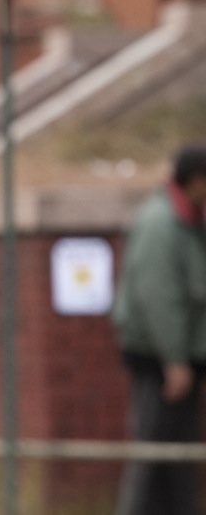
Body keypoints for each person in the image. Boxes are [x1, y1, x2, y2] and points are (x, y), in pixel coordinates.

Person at [112, 146, 206, 515]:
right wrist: (175, 361)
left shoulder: (187, 221)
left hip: (178, 358)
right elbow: (160, 298)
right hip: (160, 361)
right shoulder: (161, 223)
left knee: (179, 460)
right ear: (195, 181)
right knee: (151, 455)